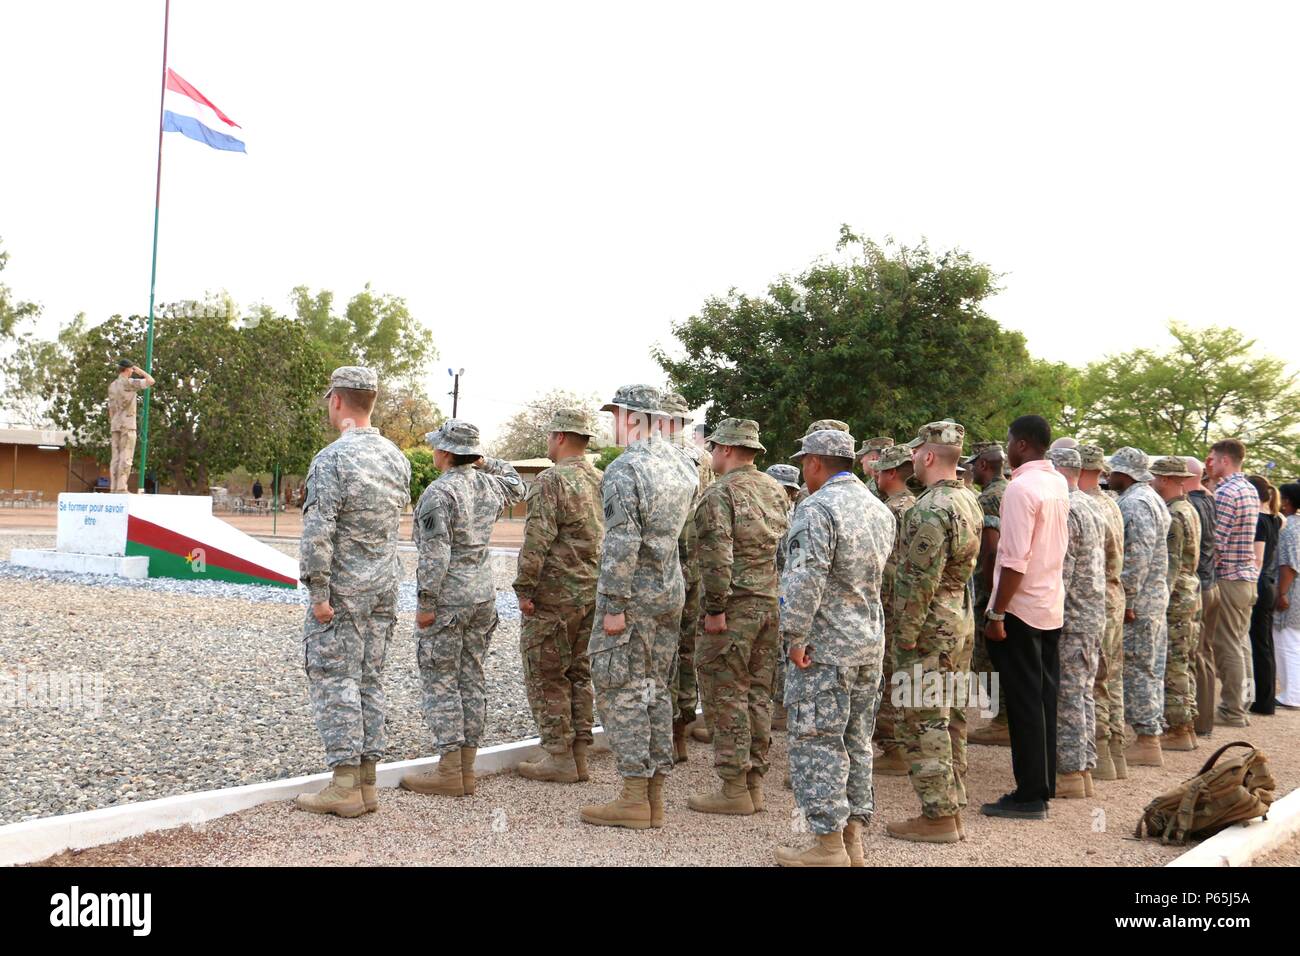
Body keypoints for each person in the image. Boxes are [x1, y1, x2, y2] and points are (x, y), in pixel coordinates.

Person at [294, 366, 412, 817]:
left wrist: (318, 592)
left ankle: (345, 784)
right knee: (369, 678)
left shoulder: (332, 459)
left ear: (338, 401)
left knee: (334, 677)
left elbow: (318, 532)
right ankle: (366, 783)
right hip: (382, 587)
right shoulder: (396, 457)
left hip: (342, 591)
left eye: (329, 399)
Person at [774, 427, 894, 866]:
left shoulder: (816, 508)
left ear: (814, 463)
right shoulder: (879, 510)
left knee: (816, 741)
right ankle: (852, 841)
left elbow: (804, 580)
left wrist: (793, 636)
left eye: (805, 462)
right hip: (867, 643)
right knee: (856, 741)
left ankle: (827, 846)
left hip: (823, 648)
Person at [580, 385, 697, 830]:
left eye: (618, 415)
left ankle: (633, 796)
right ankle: (653, 797)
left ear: (634, 417)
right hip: (669, 592)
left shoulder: (626, 468)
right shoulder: (684, 465)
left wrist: (612, 604)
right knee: (655, 690)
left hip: (632, 598)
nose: (614, 423)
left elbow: (622, 543)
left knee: (621, 690)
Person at [400, 420, 524, 798]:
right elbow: (517, 483)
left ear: (447, 452)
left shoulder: (439, 493)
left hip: (449, 599)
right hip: (483, 595)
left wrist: (425, 603)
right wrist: (484, 461)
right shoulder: (490, 484)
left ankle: (450, 770)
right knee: (471, 676)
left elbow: (435, 554)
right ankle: (467, 768)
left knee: (441, 680)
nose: (434, 451)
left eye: (438, 446)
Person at [689, 419, 790, 815]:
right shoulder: (774, 489)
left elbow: (717, 557)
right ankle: (753, 784)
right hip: (767, 604)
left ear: (728, 450)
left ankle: (733, 788)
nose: (712, 454)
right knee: (757, 695)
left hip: (732, 611)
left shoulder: (720, 494)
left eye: (714, 447)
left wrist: (714, 609)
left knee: (726, 694)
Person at [886, 422, 981, 842]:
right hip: (957, 617)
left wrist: (904, 635)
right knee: (951, 717)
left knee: (922, 719)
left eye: (914, 453)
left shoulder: (929, 508)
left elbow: (917, 580)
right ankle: (952, 807)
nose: (911, 460)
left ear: (927, 456)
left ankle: (938, 815)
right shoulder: (968, 500)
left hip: (929, 625)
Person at [980, 415, 1069, 821]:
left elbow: (1013, 560)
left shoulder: (1020, 487)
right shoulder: (1056, 483)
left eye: (1010, 439)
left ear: (1021, 444)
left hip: (1021, 606)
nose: (1008, 446)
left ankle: (1030, 794)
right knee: (1044, 699)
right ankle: (1043, 783)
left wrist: (997, 610)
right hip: (1049, 603)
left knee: (1024, 703)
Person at [513, 409, 604, 784]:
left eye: (551, 436)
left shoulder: (551, 481)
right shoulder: (600, 478)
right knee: (579, 672)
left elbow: (538, 539)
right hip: (591, 590)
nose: (548, 443)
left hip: (555, 595)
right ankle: (580, 752)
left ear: (561, 437)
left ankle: (559, 756)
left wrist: (524, 587)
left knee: (546, 672)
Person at [654, 391, 715, 756]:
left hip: (664, 563)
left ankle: (660, 731)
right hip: (695, 561)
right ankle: (681, 731)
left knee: (660, 648)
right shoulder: (704, 459)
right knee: (687, 649)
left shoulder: (656, 456)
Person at [1045, 447, 1106, 798]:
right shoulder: (1092, 505)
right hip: (1092, 612)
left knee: (1068, 696)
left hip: (1072, 614)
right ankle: (1082, 769)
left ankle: (1069, 772)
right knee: (1083, 694)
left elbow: (1062, 571)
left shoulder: (1067, 508)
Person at [1107, 447, 1172, 767]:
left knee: (1139, 668)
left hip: (1141, 602)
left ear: (1125, 473)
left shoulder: (1135, 503)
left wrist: (1128, 598)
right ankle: (1149, 735)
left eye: (1113, 471)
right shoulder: (1150, 498)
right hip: (1152, 598)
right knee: (1148, 667)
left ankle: (1147, 740)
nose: (1108, 476)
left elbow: (1137, 556)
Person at [1077, 445, 1126, 779]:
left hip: (1096, 596)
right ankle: (1115, 752)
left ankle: (1101, 752)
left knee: (1094, 679)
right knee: (1111, 676)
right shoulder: (1111, 503)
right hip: (1113, 592)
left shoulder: (1087, 505)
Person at [1206, 439, 1260, 727]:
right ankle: (1244, 701)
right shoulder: (1249, 489)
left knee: (1227, 644)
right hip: (1247, 578)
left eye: (1212, 459)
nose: (1209, 463)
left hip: (1229, 578)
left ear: (1225, 460)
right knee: (1241, 643)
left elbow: (1217, 542)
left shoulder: (1227, 492)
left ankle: (1232, 709)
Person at [871, 443, 917, 777]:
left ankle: (895, 747)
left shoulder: (891, 510)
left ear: (889, 473)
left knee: (888, 675)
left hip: (889, 600)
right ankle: (899, 744)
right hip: (903, 601)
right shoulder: (914, 505)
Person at [1150, 457, 1201, 752]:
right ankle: (1186, 724)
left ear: (1167, 479)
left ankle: (1179, 727)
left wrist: (1159, 600)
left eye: (1157, 477)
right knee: (1184, 660)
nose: (1154, 482)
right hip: (1190, 590)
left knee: (1174, 663)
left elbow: (1170, 565)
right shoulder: (1189, 509)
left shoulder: (1174, 515)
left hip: (1177, 596)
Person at [968, 441, 1011, 746]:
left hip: (992, 590)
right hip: (1010, 588)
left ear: (983, 465)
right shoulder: (1012, 490)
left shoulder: (990, 498)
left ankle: (1003, 719)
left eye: (973, 463)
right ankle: (1006, 717)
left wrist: (990, 598)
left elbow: (990, 551)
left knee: (985, 657)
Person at [766, 462, 802, 729]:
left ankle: (780, 710)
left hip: (780, 590)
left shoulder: (782, 517)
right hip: (785, 590)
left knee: (779, 653)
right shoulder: (794, 514)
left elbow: (783, 560)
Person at [1186, 458, 1219, 737]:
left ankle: (1198, 721)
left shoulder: (1193, 505)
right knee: (1205, 652)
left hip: (1200, 585)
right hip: (1212, 583)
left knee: (1195, 653)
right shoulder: (1208, 501)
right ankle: (1204, 720)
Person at [1247, 475, 1282, 717]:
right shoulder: (1275, 520)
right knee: (1264, 644)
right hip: (1268, 584)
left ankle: (1261, 700)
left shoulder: (1260, 521)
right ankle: (1265, 698)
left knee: (1258, 645)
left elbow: (1258, 558)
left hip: (1259, 583)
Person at [106, 359, 155, 493]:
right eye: (131, 369)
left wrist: (113, 421)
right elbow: (151, 381)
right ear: (128, 369)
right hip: (127, 423)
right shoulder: (129, 382)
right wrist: (139, 371)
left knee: (115, 457)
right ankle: (121, 488)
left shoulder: (112, 385)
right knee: (126, 456)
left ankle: (114, 487)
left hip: (115, 423)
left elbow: (110, 408)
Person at [1272, 482, 1300, 709]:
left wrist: (1281, 592)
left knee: (1288, 641)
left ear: (1288, 501)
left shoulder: (1289, 527)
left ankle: (1292, 694)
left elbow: (1289, 565)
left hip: (1291, 591)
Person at [858, 436, 894, 501]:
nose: (861, 461)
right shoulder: (897, 480)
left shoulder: (866, 489)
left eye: (863, 456)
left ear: (873, 458)